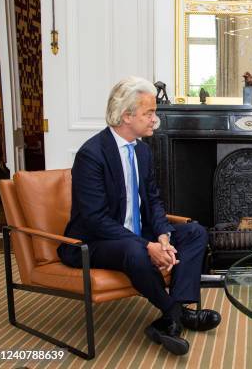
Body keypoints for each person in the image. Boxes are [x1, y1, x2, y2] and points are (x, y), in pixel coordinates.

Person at [57, 76, 221, 355]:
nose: (155, 120)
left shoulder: (142, 152)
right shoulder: (91, 155)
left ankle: (170, 318)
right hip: (93, 242)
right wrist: (148, 246)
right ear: (126, 115)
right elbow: (95, 219)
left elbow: (153, 200)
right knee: (134, 250)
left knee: (195, 232)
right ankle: (179, 314)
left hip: (134, 234)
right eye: (149, 113)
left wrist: (162, 235)